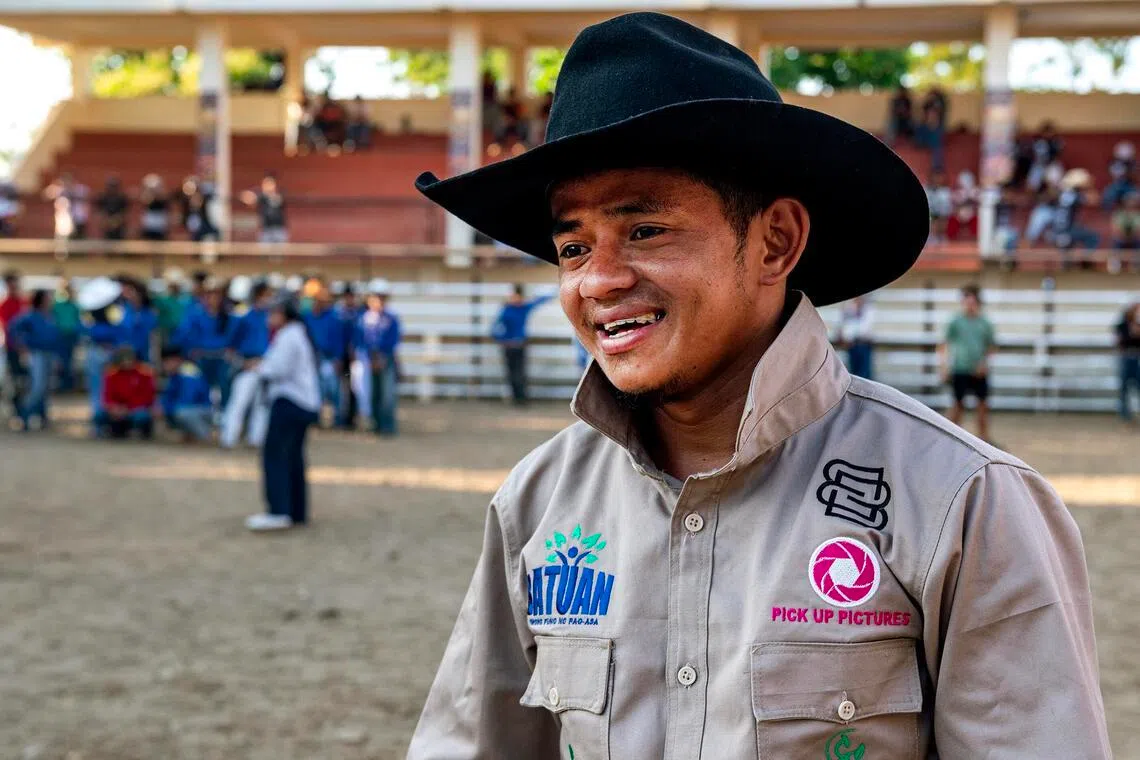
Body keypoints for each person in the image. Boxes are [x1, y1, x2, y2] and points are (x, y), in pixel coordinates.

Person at [408, 14, 1109, 757]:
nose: (600, 280)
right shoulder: (538, 502)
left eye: (645, 231)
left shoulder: (962, 502)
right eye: (573, 246)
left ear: (775, 241)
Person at [246, 296, 321, 532]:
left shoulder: (288, 336)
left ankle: (278, 510)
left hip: (289, 401)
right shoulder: (298, 334)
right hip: (304, 402)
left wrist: (258, 366)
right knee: (293, 458)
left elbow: (277, 369)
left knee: (275, 455)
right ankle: (296, 510)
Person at [220, 279, 272, 449]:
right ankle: (229, 438)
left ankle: (256, 439)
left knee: (262, 405)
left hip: (265, 364)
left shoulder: (270, 318)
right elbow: (230, 347)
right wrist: (242, 363)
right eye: (265, 295)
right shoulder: (243, 317)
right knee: (239, 402)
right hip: (246, 364)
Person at [941, 284, 997, 442]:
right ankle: (950, 438)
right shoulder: (956, 322)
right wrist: (944, 367)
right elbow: (944, 344)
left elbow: (991, 346)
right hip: (960, 368)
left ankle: (984, 439)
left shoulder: (985, 323)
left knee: (983, 406)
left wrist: (984, 364)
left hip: (979, 370)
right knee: (957, 406)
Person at [77, 276, 126, 434]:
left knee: (99, 389)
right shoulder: (114, 311)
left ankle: (102, 424)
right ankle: (102, 423)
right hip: (104, 352)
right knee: (102, 389)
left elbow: (85, 330)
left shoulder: (89, 313)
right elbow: (119, 330)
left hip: (97, 352)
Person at [172, 278, 232, 408]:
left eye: (216, 295)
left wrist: (229, 350)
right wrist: (190, 350)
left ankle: (222, 413)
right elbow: (184, 334)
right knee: (199, 384)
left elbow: (233, 336)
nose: (212, 299)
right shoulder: (194, 313)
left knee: (224, 385)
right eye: (209, 295)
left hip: (221, 357)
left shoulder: (227, 315)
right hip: (200, 357)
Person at [352, 279, 401, 436]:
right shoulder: (363, 318)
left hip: (385, 360)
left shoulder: (391, 318)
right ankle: (375, 423)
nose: (378, 300)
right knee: (370, 393)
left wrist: (381, 356)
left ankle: (388, 425)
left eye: (382, 297)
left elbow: (392, 341)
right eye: (375, 297)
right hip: (367, 360)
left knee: (387, 394)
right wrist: (369, 357)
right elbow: (359, 340)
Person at [491, 284, 554, 405]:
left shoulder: (522, 308)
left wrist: (556, 291)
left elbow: (538, 301)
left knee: (520, 372)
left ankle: (521, 398)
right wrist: (503, 339)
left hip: (520, 345)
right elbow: (494, 328)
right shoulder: (507, 310)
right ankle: (516, 397)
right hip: (509, 346)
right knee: (512, 373)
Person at [8, 289, 59, 431]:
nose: (50, 300)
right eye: (48, 298)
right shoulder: (30, 315)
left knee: (46, 389)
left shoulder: (50, 316)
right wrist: (22, 346)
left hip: (49, 353)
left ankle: (43, 418)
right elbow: (14, 328)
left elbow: (55, 336)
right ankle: (23, 417)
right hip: (37, 354)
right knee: (36, 388)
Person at [305, 286, 346, 427]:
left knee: (333, 389)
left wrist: (338, 358)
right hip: (312, 357)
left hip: (329, 357)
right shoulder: (307, 317)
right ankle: (315, 418)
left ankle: (339, 419)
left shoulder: (334, 317)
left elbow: (338, 339)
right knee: (316, 390)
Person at [97, 347, 156, 439]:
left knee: (141, 416)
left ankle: (143, 431)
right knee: (99, 414)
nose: (127, 363)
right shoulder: (112, 374)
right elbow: (107, 396)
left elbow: (148, 397)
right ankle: (113, 431)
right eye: (124, 360)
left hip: (135, 409)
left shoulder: (144, 373)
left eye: (129, 359)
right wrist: (114, 407)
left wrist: (128, 408)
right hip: (118, 410)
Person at [159, 346, 214, 442]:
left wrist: (165, 408)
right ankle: (190, 436)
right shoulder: (174, 374)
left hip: (204, 411)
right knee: (175, 411)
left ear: (176, 360)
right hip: (193, 410)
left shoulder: (189, 372)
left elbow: (187, 400)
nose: (164, 366)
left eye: (166, 362)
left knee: (181, 412)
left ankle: (206, 436)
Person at [1053, 168, 1101, 267]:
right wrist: (1089, 187)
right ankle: (1086, 262)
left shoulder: (1063, 194)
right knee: (1093, 237)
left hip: (1057, 229)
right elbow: (1094, 200)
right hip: (1067, 229)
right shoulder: (1074, 195)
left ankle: (1067, 264)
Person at [334, 282, 361, 428]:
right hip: (342, 357)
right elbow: (337, 337)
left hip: (355, 356)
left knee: (354, 388)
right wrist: (338, 356)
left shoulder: (358, 313)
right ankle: (341, 418)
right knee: (341, 389)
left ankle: (352, 417)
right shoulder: (339, 314)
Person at [1, 270, 28, 411]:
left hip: (25, 349)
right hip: (12, 349)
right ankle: (18, 411)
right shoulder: (5, 304)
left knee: (26, 381)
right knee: (15, 381)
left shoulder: (24, 303)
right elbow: (8, 328)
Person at [118, 276, 158, 364]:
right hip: (123, 354)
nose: (127, 295)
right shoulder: (122, 310)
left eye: (130, 291)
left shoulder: (149, 313)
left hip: (142, 354)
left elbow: (150, 334)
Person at [241, 174, 288, 244]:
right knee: (264, 252)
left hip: (279, 229)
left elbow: (277, 201)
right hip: (265, 229)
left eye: (270, 183)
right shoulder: (261, 196)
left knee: (279, 253)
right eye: (265, 183)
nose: (267, 186)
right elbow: (250, 200)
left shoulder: (280, 194)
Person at [52, 279, 81, 392]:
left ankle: (68, 384)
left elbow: (77, 321)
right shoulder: (57, 305)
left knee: (69, 361)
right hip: (60, 337)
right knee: (61, 361)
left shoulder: (74, 306)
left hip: (71, 337)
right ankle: (63, 384)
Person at [836, 295, 874, 380]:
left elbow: (865, 328)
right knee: (855, 371)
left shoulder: (867, 309)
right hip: (852, 344)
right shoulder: (849, 308)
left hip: (863, 343)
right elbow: (843, 325)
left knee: (864, 373)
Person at [44, 174, 91, 240]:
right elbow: (47, 195)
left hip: (78, 218)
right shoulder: (60, 189)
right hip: (65, 219)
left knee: (78, 237)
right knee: (63, 237)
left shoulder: (80, 189)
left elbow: (86, 198)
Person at [1115, 303, 1140, 423]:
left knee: (1137, 386)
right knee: (1124, 387)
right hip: (1126, 357)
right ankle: (1125, 414)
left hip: (1136, 357)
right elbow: (1120, 341)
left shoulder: (1137, 325)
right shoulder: (1122, 326)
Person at [946, 170, 979, 241]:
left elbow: (978, 200)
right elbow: (954, 202)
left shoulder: (975, 191)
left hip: (971, 215)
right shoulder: (956, 192)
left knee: (977, 220)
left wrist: (970, 195)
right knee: (952, 220)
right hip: (958, 215)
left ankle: (976, 239)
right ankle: (950, 239)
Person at [95, 176, 129, 240]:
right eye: (111, 186)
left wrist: (116, 221)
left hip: (119, 225)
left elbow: (125, 212)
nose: (112, 188)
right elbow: (100, 211)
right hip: (106, 225)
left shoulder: (122, 198)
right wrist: (106, 221)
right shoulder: (103, 197)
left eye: (114, 186)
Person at [139, 174, 171, 241]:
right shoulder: (147, 195)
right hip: (150, 221)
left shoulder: (163, 197)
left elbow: (164, 201)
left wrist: (157, 193)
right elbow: (146, 201)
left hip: (160, 222)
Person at [924, 170, 953, 244]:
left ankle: (940, 235)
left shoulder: (946, 190)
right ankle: (931, 235)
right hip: (931, 212)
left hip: (942, 212)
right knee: (932, 218)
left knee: (942, 218)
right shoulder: (927, 189)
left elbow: (948, 204)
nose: (938, 179)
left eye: (940, 177)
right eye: (936, 177)